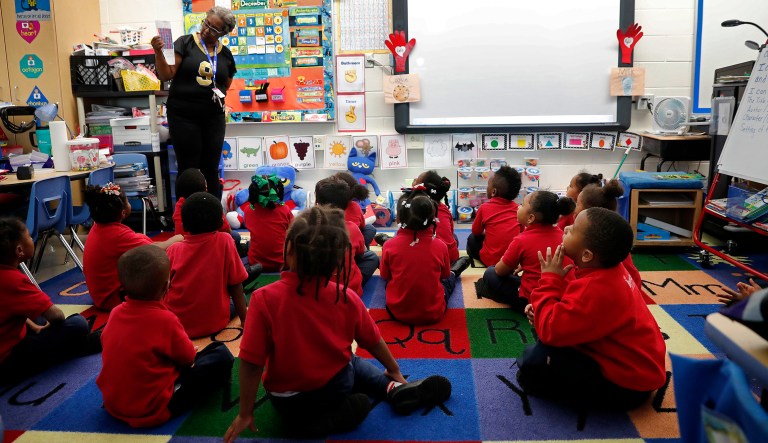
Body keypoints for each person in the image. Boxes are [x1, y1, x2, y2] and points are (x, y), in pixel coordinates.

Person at [224, 206, 452, 440]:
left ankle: (312, 423)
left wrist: (245, 412)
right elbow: (373, 341)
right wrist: (393, 369)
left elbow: (251, 362)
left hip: (287, 400)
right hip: (336, 388)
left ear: (289, 249)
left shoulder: (263, 299)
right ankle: (391, 388)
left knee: (348, 380)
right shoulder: (346, 297)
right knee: (352, 362)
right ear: (337, 261)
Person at [518, 208, 666, 410]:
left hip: (628, 386)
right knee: (542, 344)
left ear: (586, 255)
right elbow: (583, 307)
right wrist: (547, 305)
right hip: (638, 368)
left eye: (572, 229)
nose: (567, 227)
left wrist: (549, 281)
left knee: (533, 366)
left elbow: (551, 332)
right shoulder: (610, 268)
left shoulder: (597, 288)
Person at [98, 244, 234, 428]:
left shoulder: (114, 313)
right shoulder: (165, 319)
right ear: (166, 286)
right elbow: (188, 359)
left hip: (114, 402)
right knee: (221, 355)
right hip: (152, 407)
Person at [151, 6, 237, 200]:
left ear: (223, 33)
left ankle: (213, 217)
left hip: (213, 118)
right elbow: (166, 74)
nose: (206, 30)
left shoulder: (226, 55)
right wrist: (158, 52)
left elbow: (226, 83)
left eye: (214, 29)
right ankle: (186, 218)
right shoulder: (185, 43)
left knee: (211, 167)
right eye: (206, 23)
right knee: (189, 167)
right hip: (183, 116)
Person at [0, 217, 100, 385]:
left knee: (37, 318)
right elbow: (56, 316)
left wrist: (37, 328)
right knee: (77, 323)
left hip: (8, 333)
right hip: (7, 361)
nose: (33, 240)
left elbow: (14, 309)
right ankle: (76, 347)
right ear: (19, 250)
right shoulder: (13, 280)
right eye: (30, 238)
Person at [83, 183, 182, 311]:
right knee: (162, 262)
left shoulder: (99, 227)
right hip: (111, 299)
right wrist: (178, 238)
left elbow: (140, 241)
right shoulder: (117, 235)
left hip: (101, 295)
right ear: (123, 212)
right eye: (128, 201)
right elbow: (156, 250)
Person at [380, 188, 471, 325]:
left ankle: (385, 239)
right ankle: (455, 271)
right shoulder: (440, 246)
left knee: (391, 279)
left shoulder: (389, 246)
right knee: (448, 280)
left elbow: (385, 275)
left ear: (398, 218)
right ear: (433, 219)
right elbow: (443, 275)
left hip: (396, 312)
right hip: (433, 312)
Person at [165, 192, 249, 338]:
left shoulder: (173, 250)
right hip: (213, 323)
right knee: (239, 297)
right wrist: (245, 320)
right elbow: (235, 286)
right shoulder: (225, 241)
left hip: (177, 325)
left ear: (183, 225)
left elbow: (164, 288)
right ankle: (244, 272)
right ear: (220, 222)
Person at [479, 191, 575, 311]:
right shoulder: (562, 235)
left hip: (535, 301)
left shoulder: (521, 240)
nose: (518, 207)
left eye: (522, 205)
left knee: (490, 273)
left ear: (530, 218)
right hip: (565, 297)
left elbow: (500, 271)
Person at [573, 180, 647, 298]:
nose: (574, 209)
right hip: (630, 288)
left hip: (620, 293)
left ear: (590, 213)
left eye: (577, 204)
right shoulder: (613, 234)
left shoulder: (598, 244)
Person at [315, 176, 378, 296]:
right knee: (372, 258)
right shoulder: (352, 228)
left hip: (313, 290)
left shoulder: (305, 225)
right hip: (348, 291)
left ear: (317, 202)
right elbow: (361, 252)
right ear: (346, 203)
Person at [173, 168, 243, 255]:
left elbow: (179, 234)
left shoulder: (180, 205)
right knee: (235, 236)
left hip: (188, 247)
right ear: (205, 188)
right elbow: (226, 229)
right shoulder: (211, 203)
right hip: (211, 246)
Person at [467, 165, 524, 267]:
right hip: (513, 262)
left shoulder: (484, 208)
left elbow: (476, 231)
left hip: (490, 261)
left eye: (488, 185)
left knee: (472, 239)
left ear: (493, 192)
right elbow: (522, 233)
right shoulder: (519, 209)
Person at [242, 174, 294, 272]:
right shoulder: (285, 210)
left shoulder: (248, 210)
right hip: (282, 263)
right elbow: (293, 231)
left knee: (249, 243)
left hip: (255, 262)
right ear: (276, 191)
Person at [413, 170, 466, 265]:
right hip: (450, 258)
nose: (414, 182)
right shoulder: (444, 209)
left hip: (427, 260)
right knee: (454, 237)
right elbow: (450, 232)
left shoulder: (414, 208)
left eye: (416, 182)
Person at [334, 172, 379, 248]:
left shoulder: (330, 206)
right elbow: (362, 225)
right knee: (370, 228)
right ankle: (364, 248)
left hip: (336, 243)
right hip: (353, 244)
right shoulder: (355, 206)